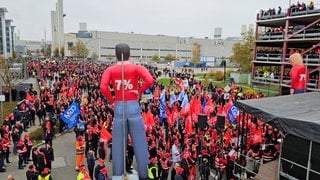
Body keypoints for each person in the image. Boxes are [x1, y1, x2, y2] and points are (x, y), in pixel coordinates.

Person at [100, 43, 155, 179]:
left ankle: (118, 175)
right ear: (129, 54)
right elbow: (149, 79)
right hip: (133, 107)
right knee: (140, 144)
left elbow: (103, 87)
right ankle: (144, 175)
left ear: (115, 54)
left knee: (118, 146)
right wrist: (139, 92)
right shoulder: (137, 68)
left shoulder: (110, 70)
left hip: (119, 107)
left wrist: (112, 100)